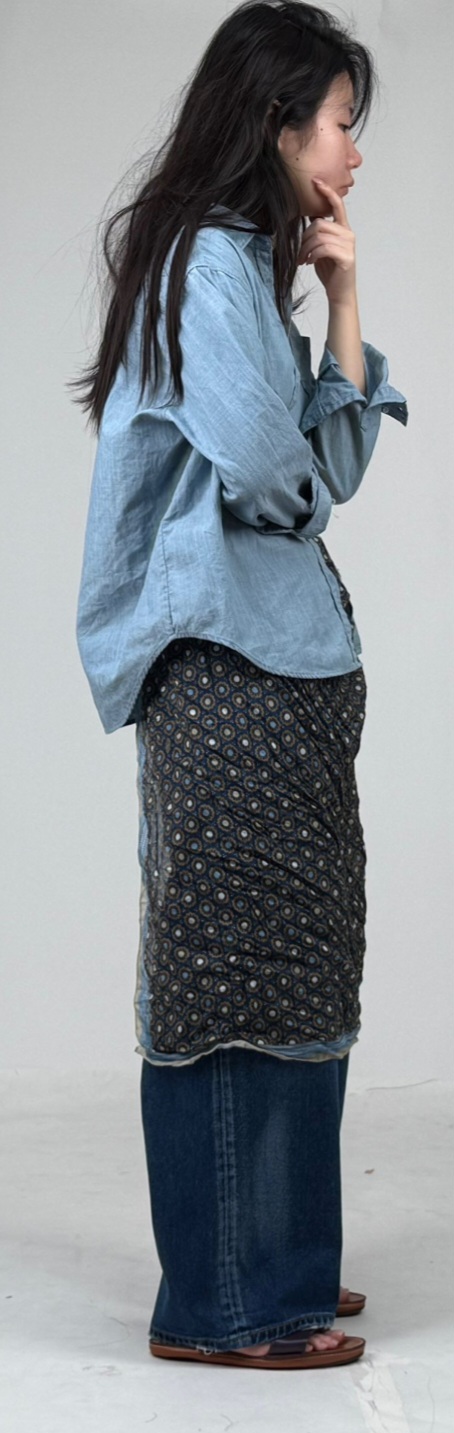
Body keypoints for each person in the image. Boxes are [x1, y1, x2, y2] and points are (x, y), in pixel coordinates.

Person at [71, 0, 408, 1369]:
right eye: (339, 125)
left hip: (279, 671)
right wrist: (308, 451)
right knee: (230, 972)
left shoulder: (244, 274)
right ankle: (226, 1299)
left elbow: (330, 469)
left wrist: (344, 296)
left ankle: (277, 1257)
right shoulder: (203, 265)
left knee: (296, 957)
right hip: (225, 672)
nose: (353, 155)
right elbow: (284, 476)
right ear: (274, 124)